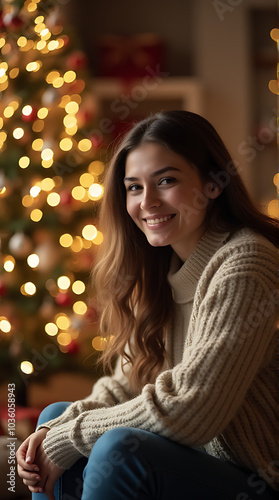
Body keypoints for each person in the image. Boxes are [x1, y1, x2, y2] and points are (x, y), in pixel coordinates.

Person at [17, 110, 279, 500]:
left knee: (118, 450)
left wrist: (70, 437)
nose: (148, 201)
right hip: (191, 463)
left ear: (212, 184)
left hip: (252, 479)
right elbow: (124, 386)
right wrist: (52, 432)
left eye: (166, 181)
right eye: (134, 187)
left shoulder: (246, 262)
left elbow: (193, 410)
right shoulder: (161, 270)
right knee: (55, 417)